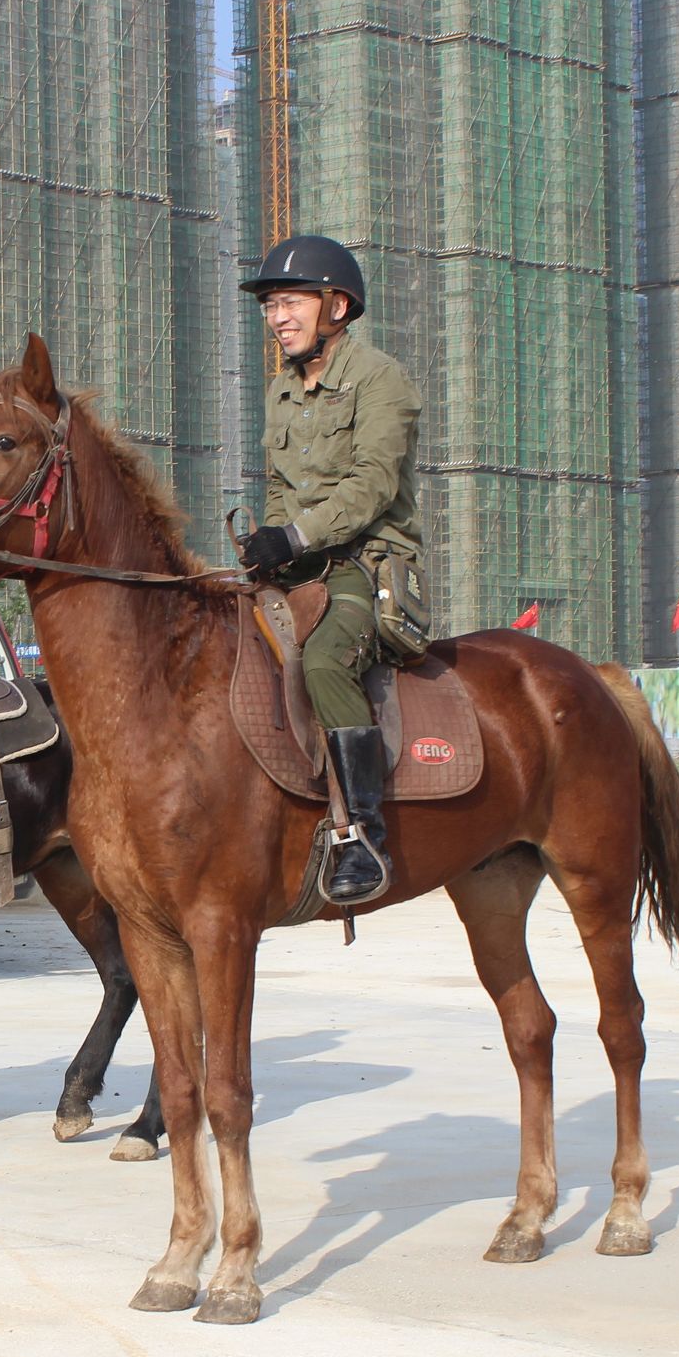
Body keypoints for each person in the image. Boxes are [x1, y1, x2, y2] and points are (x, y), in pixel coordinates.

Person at [234, 234, 424, 905]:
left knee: (322, 663)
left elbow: (373, 486)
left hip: (367, 565)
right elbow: (284, 491)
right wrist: (267, 546)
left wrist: (294, 535)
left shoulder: (381, 379)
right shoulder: (283, 393)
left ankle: (363, 834)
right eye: (270, 305)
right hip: (302, 567)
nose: (277, 316)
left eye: (290, 301)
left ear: (336, 307)